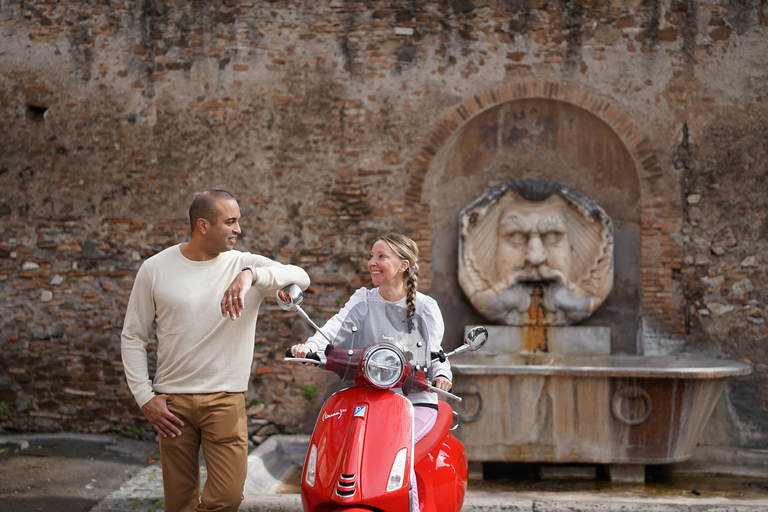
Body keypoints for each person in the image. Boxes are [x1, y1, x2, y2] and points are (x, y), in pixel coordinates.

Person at [121, 189, 310, 512]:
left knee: (227, 496)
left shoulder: (244, 263)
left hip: (225, 399)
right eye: (231, 222)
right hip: (172, 404)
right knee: (178, 502)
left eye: (238, 222)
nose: (238, 229)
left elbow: (301, 276)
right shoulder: (155, 268)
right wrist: (144, 397)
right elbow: (133, 336)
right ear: (203, 225)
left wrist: (250, 275)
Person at [290, 233, 450, 512]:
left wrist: (442, 375)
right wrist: (310, 348)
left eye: (381, 257)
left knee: (398, 452)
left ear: (402, 266)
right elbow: (333, 329)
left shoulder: (425, 307)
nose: (371, 262)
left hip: (413, 403)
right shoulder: (362, 299)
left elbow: (437, 351)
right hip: (368, 397)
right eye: (371, 256)